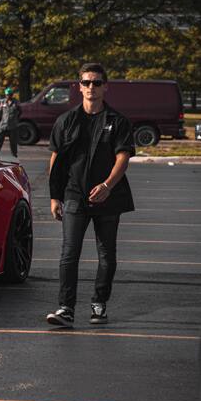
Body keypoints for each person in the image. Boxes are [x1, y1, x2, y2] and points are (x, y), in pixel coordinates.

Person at [46, 63, 135, 327]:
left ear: (105, 86)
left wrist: (107, 185)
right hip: (74, 194)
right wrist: (54, 196)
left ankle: (99, 303)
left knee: (106, 254)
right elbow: (56, 159)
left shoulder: (117, 121)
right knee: (69, 253)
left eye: (97, 83)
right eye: (86, 82)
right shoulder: (66, 121)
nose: (91, 87)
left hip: (108, 197)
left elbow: (123, 157)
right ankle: (66, 308)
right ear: (79, 86)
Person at [0, 87, 20, 158]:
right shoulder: (3, 101)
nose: (8, 96)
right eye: (7, 95)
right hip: (3, 124)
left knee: (13, 141)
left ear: (12, 95)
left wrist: (16, 119)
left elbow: (20, 112)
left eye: (9, 95)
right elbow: (0, 111)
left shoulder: (16, 102)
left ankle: (14, 155)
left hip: (13, 125)